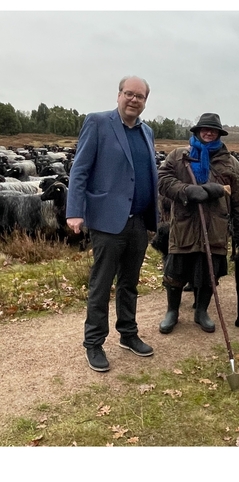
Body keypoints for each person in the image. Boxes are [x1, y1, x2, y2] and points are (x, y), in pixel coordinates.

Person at [67, 76, 159, 372]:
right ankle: (93, 343)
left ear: (146, 101)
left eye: (140, 96)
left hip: (139, 221)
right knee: (101, 284)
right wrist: (74, 211)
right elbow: (79, 170)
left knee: (129, 283)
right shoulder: (97, 123)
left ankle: (128, 334)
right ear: (119, 95)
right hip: (108, 222)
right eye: (129, 94)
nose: (134, 100)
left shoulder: (147, 131)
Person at [156, 113, 239, 336]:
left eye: (213, 130)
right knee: (175, 272)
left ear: (219, 133)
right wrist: (187, 191)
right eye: (205, 129)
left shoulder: (230, 163)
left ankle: (201, 311)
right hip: (185, 225)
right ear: (197, 132)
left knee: (209, 274)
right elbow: (162, 180)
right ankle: (172, 311)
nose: (209, 133)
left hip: (215, 227)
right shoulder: (180, 155)